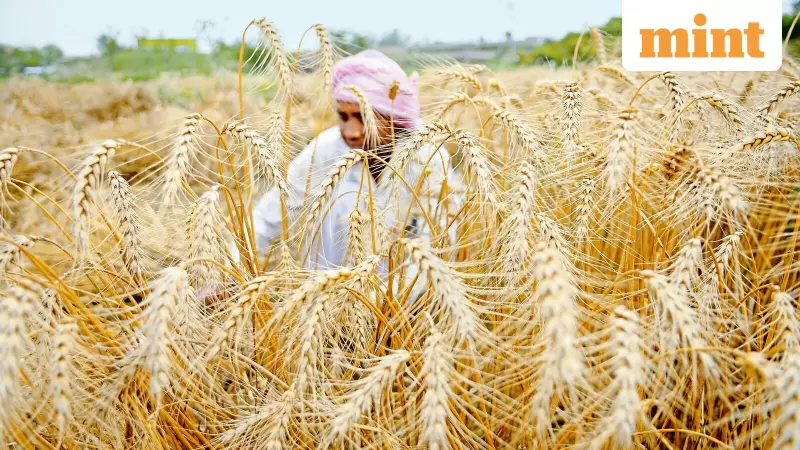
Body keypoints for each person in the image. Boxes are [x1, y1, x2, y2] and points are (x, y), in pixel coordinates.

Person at [236, 49, 460, 273]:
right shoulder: (324, 151)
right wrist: (232, 269)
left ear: (394, 117)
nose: (351, 132)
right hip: (325, 297)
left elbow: (438, 240)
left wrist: (387, 300)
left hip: (405, 299)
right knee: (342, 201)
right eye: (343, 117)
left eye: (364, 118)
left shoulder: (427, 158)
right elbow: (269, 215)